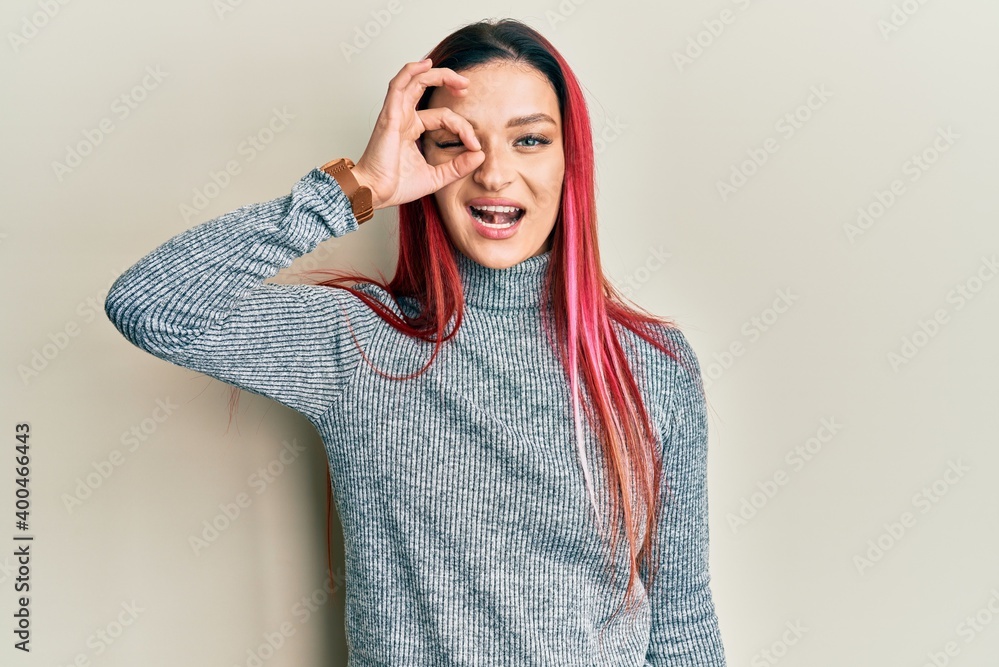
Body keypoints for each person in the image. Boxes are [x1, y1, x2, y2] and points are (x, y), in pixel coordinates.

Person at [104, 17, 727, 667]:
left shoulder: (655, 365)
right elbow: (149, 305)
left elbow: (680, 617)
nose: (494, 174)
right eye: (458, 141)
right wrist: (358, 188)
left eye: (531, 140)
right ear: (424, 158)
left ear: (570, 161)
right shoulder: (358, 340)